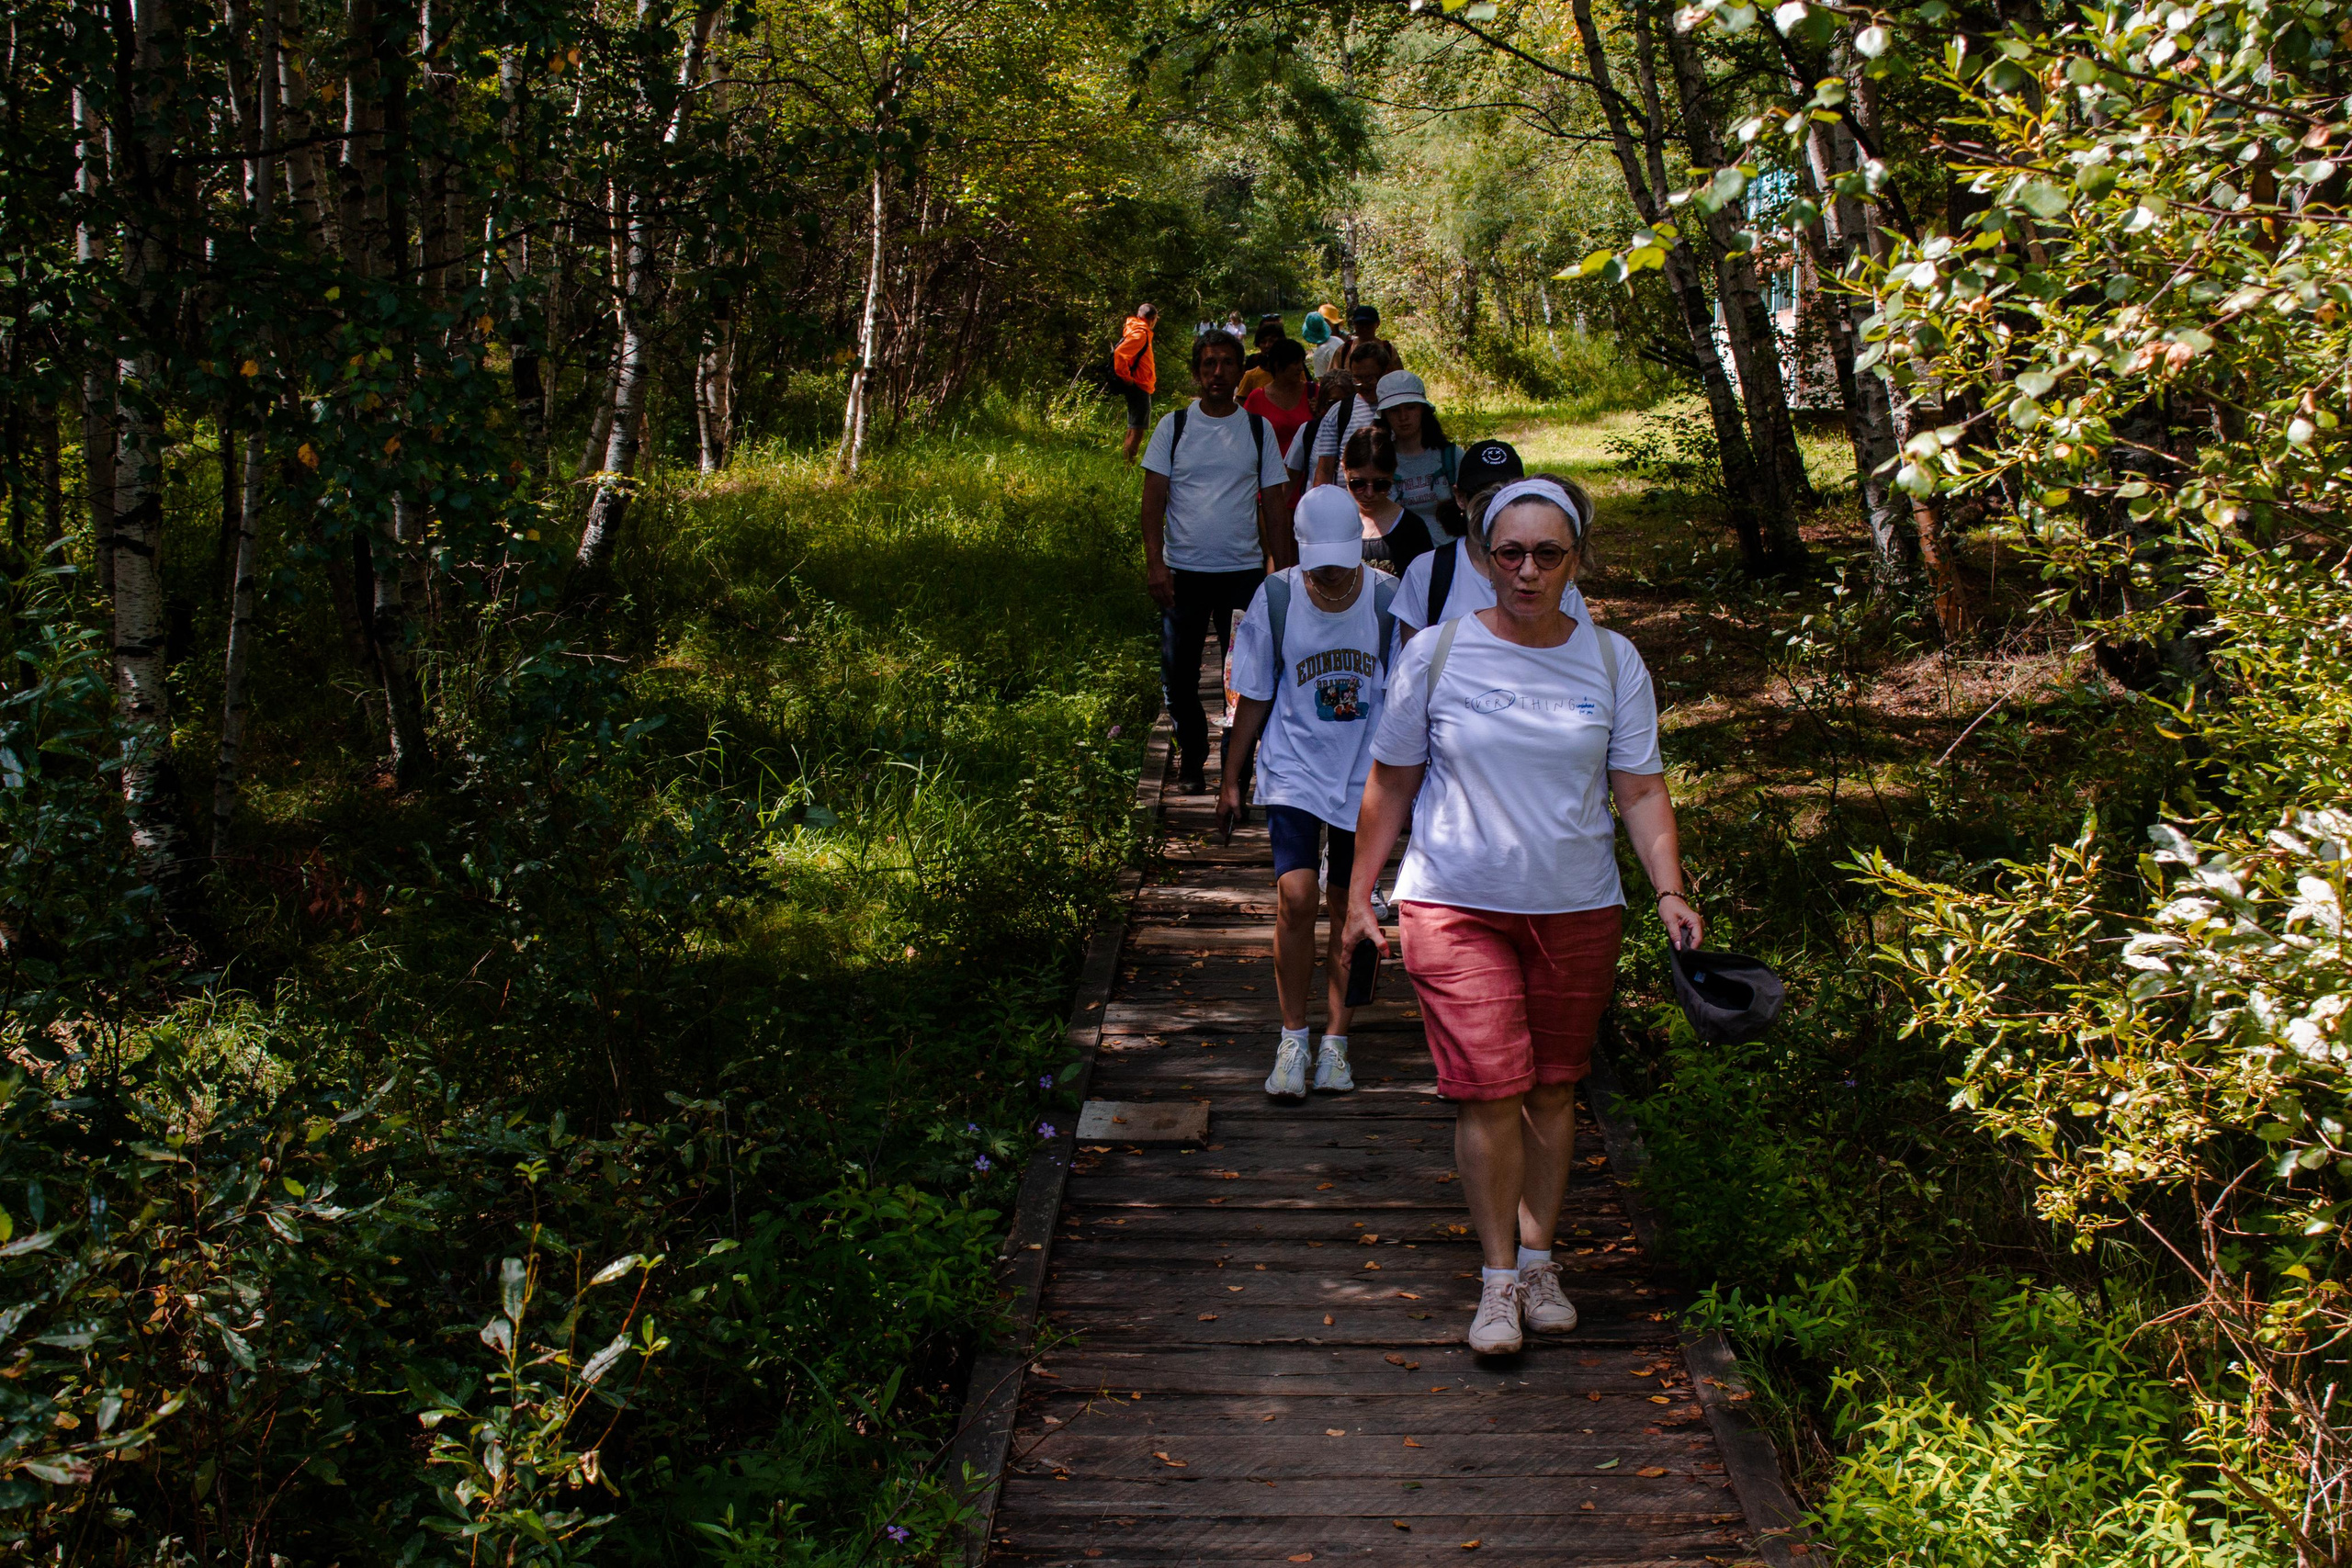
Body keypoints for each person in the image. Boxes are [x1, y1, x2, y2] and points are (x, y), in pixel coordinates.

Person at [1341, 476, 1702, 1356]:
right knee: (1491, 1089)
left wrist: (1670, 887)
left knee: (1552, 1087)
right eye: (1511, 552)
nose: (1528, 570)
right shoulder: (1437, 652)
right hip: (1455, 903)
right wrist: (1359, 892)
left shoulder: (1614, 661)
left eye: (1548, 553)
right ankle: (1498, 1281)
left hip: (1578, 907)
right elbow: (1391, 780)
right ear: (1482, 556)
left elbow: (1642, 790)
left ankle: (1542, 1260)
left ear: (1576, 558)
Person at [1219, 485, 1400, 1102]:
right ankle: (1293, 1035)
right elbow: (1257, 693)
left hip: (1364, 777)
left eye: (1339, 557)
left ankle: (1337, 1041)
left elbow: (1408, 701)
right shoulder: (1276, 598)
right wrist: (1229, 777)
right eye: (1318, 558)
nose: (1328, 571)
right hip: (1294, 768)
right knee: (1296, 897)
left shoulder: (1386, 601)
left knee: (1348, 906)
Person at [1140, 330, 1295, 795]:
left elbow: (1274, 502)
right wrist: (1155, 564)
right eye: (1209, 364)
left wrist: (1283, 575)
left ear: (1240, 370)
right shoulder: (1174, 426)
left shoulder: (1255, 428)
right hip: (1183, 575)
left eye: (1228, 364)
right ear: (1196, 371)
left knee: (1244, 680)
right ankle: (1192, 753)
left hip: (1242, 577)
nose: (1218, 373)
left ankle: (1235, 774)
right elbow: (1153, 502)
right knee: (1178, 678)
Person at [1395, 441, 1593, 638]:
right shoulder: (1429, 572)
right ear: (1460, 497)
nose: (1493, 505)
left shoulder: (1552, 580)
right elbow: (1412, 660)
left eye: (1507, 494)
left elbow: (1581, 650)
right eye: (1482, 495)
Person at [1372, 371, 1464, 536]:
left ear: (1423, 410)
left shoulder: (1451, 457)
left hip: (1449, 553)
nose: (1403, 417)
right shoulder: (1379, 460)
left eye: (1410, 407)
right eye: (1394, 410)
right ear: (1385, 415)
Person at [1342, 426, 1440, 578]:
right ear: (1344, 471)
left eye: (1380, 485)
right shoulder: (1335, 523)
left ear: (1393, 475)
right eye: (1358, 484)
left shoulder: (1412, 529)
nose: (1369, 494)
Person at [1308, 339, 1398, 488]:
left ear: (1386, 371)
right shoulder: (1339, 412)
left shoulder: (1401, 408)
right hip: (1348, 506)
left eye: (1369, 378)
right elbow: (1324, 469)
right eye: (1357, 378)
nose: (1363, 385)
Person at [1284, 371, 1354, 506]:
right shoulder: (1308, 431)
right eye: (1332, 402)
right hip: (1317, 513)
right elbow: (1289, 481)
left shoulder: (1361, 430)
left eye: (1345, 402)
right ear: (1322, 404)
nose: (1339, 408)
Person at [1243, 339, 1316, 457]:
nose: (1300, 368)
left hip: (1308, 472)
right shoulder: (1256, 398)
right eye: (1295, 363)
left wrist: (1321, 414)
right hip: (1271, 471)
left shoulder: (1313, 392)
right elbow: (1245, 437)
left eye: (1301, 362)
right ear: (1277, 364)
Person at [1113, 304, 1159, 465]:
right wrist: (1127, 378)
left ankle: (1127, 464)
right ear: (1152, 319)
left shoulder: (1136, 329)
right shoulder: (1140, 333)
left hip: (1140, 384)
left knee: (1134, 427)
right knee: (1137, 430)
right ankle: (1128, 467)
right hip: (1139, 385)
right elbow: (1120, 354)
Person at [1238, 318, 1289, 398]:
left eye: (1272, 341)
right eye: (1263, 342)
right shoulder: (1252, 364)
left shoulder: (1293, 364)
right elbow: (1242, 400)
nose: (1267, 345)